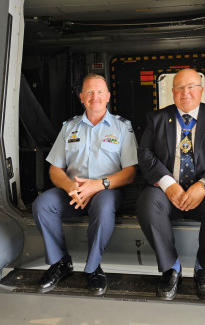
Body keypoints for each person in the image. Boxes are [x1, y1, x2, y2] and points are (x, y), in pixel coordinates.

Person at [137, 68, 205, 301]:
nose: (186, 93)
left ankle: (203, 269)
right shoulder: (157, 119)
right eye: (180, 88)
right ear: (173, 92)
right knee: (147, 204)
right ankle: (171, 268)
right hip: (168, 193)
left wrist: (203, 185)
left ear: (201, 90)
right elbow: (144, 153)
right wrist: (167, 183)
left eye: (191, 87)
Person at [33, 74, 138, 295]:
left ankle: (93, 269)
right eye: (89, 92)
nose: (95, 97)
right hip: (73, 191)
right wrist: (70, 186)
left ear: (108, 96)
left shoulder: (122, 128)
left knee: (102, 206)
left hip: (107, 190)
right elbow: (55, 169)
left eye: (100, 91)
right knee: (42, 204)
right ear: (81, 97)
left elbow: (130, 173)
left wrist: (97, 186)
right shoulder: (69, 127)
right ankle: (60, 263)